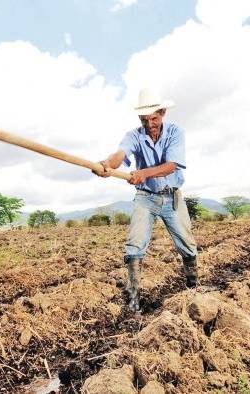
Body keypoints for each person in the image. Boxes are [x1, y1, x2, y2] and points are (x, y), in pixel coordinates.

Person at [94, 88, 198, 313]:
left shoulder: (175, 132)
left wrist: (145, 173)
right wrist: (107, 165)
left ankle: (193, 286)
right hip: (145, 197)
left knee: (187, 245)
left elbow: (172, 165)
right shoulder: (134, 135)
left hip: (172, 197)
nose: (149, 124)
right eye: (144, 119)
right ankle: (134, 299)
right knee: (134, 244)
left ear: (162, 112)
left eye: (153, 118)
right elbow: (120, 155)